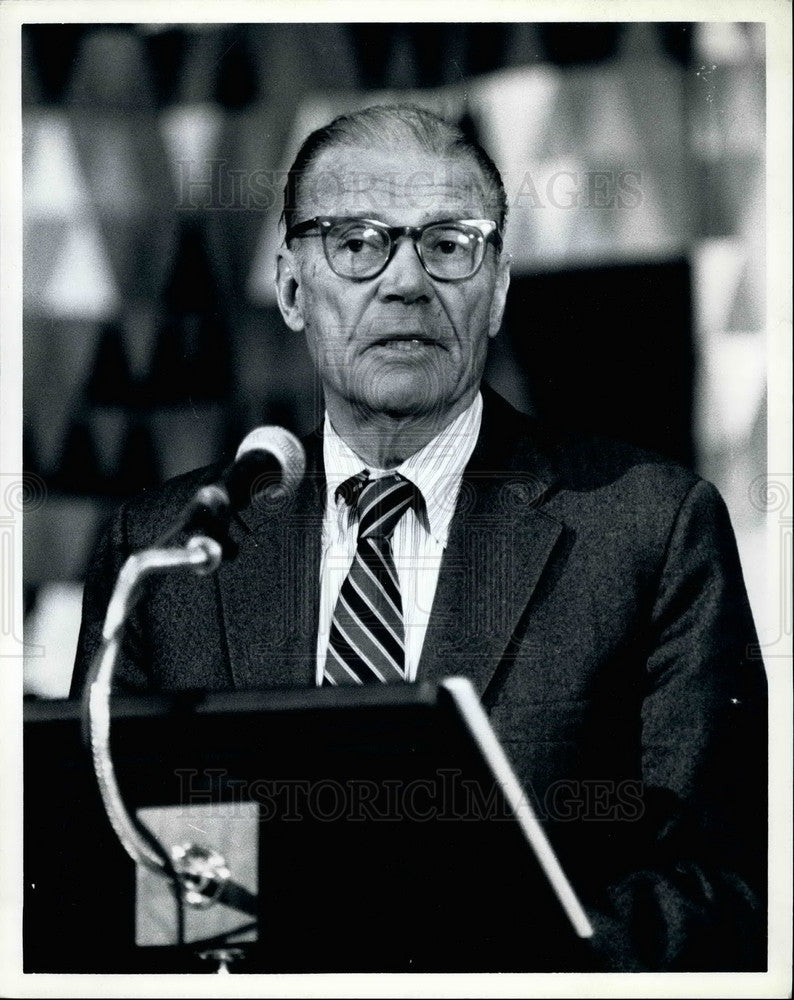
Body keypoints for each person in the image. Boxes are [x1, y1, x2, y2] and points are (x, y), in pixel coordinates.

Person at [71, 104, 766, 972]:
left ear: (500, 285)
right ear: (291, 288)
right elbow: (112, 875)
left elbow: (723, 886)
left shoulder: (649, 529)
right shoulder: (169, 548)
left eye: (448, 244)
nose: (404, 282)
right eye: (357, 243)